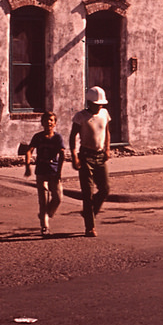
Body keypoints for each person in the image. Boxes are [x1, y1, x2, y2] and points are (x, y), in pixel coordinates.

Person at [70, 86, 111, 237]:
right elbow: (72, 136)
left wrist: (107, 148)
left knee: (105, 189)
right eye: (96, 104)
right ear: (89, 103)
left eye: (101, 104)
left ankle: (90, 211)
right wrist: (74, 156)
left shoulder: (104, 113)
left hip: (100, 155)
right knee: (87, 192)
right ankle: (90, 227)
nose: (99, 106)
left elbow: (107, 131)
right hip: (86, 156)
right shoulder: (81, 116)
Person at [24, 112, 67, 237]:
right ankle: (45, 226)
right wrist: (28, 166)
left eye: (51, 120)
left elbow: (62, 154)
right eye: (46, 120)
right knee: (43, 200)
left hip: (53, 170)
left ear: (55, 123)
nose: (49, 122)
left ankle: (47, 214)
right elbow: (29, 151)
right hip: (41, 170)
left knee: (58, 198)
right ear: (42, 122)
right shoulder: (38, 137)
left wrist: (59, 172)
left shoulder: (57, 138)